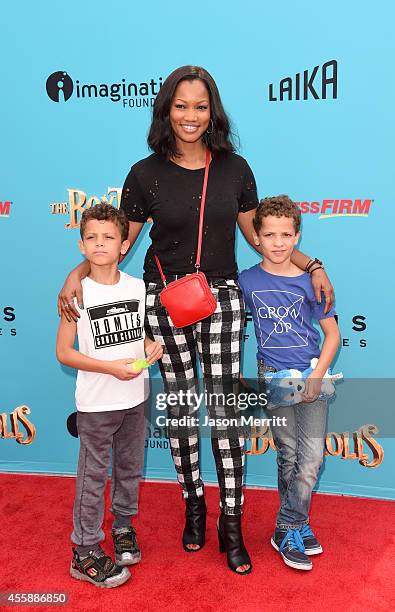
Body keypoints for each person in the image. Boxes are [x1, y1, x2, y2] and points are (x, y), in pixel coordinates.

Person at [58, 65, 335, 575]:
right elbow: (120, 240)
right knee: (185, 411)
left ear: (214, 113)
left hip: (223, 300)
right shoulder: (144, 174)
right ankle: (193, 505)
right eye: (180, 106)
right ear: (166, 110)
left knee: (226, 414)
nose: (190, 116)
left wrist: (311, 264)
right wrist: (77, 274)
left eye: (200, 106)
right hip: (165, 303)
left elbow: (260, 239)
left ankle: (231, 522)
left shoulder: (236, 169)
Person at [56, 203, 163, 588]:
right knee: (93, 477)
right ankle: (84, 550)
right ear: (82, 245)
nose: (100, 244)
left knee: (130, 470)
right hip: (97, 403)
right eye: (91, 237)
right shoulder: (75, 293)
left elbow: (138, 334)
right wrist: (109, 369)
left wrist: (152, 346)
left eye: (109, 237)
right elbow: (64, 353)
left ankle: (122, 529)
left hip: (135, 397)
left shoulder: (137, 288)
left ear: (124, 245)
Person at [238, 195, 340, 571]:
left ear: (297, 236)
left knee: (311, 459)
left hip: (313, 375)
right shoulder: (246, 280)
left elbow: (332, 335)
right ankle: (293, 526)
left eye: (286, 234)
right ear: (257, 238)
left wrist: (316, 377)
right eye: (270, 235)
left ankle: (289, 524)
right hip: (274, 379)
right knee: (289, 455)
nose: (279, 243)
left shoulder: (311, 283)